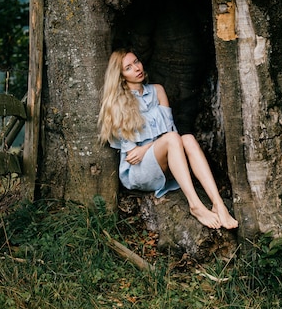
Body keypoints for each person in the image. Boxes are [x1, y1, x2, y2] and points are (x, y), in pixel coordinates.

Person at [98, 48, 238, 230]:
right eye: (128, 67)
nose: (137, 68)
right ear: (121, 75)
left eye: (136, 62)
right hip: (139, 171)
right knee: (174, 138)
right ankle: (195, 205)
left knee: (186, 138)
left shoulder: (157, 91)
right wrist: (149, 147)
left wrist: (146, 147)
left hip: (164, 159)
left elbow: (170, 133)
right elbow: (133, 154)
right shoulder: (118, 103)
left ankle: (218, 204)